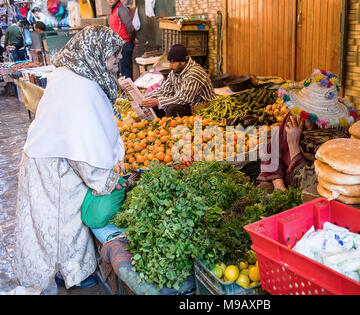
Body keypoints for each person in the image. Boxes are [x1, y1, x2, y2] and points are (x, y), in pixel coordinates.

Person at [13, 26, 131, 294]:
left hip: (46, 158)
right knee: (63, 223)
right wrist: (109, 180)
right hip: (53, 166)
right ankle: (73, 276)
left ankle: (65, 272)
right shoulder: (80, 89)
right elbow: (86, 152)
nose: (115, 67)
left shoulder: (70, 74)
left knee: (53, 226)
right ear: (98, 55)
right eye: (113, 60)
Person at [257, 70, 358, 193]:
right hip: (283, 181)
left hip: (308, 188)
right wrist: (279, 186)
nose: (303, 118)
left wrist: (293, 145)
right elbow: (273, 150)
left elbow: (311, 182)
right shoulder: (294, 117)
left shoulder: (336, 137)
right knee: (262, 191)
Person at [141, 44, 216, 118]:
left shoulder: (194, 74)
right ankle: (157, 127)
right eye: (169, 62)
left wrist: (158, 101)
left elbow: (183, 99)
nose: (170, 66)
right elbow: (163, 90)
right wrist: (143, 98)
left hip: (201, 108)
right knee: (154, 106)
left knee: (172, 109)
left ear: (183, 62)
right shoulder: (175, 72)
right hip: (187, 104)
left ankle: (169, 128)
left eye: (173, 63)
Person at [107, 0, 136, 79]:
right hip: (117, 46)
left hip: (124, 45)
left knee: (125, 73)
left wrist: (131, 40)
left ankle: (128, 91)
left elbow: (130, 28)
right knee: (120, 72)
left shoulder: (121, 9)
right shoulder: (113, 9)